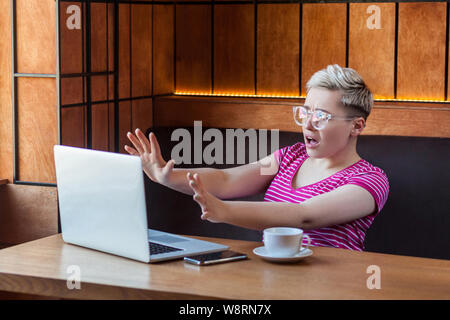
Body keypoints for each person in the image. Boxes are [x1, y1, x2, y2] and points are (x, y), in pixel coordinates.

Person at [125, 64, 389, 251]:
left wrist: (224, 211)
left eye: (321, 116)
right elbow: (227, 179)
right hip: (272, 278)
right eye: (305, 113)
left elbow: (303, 216)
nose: (308, 124)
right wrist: (167, 176)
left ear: (356, 126)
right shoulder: (289, 157)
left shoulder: (370, 180)